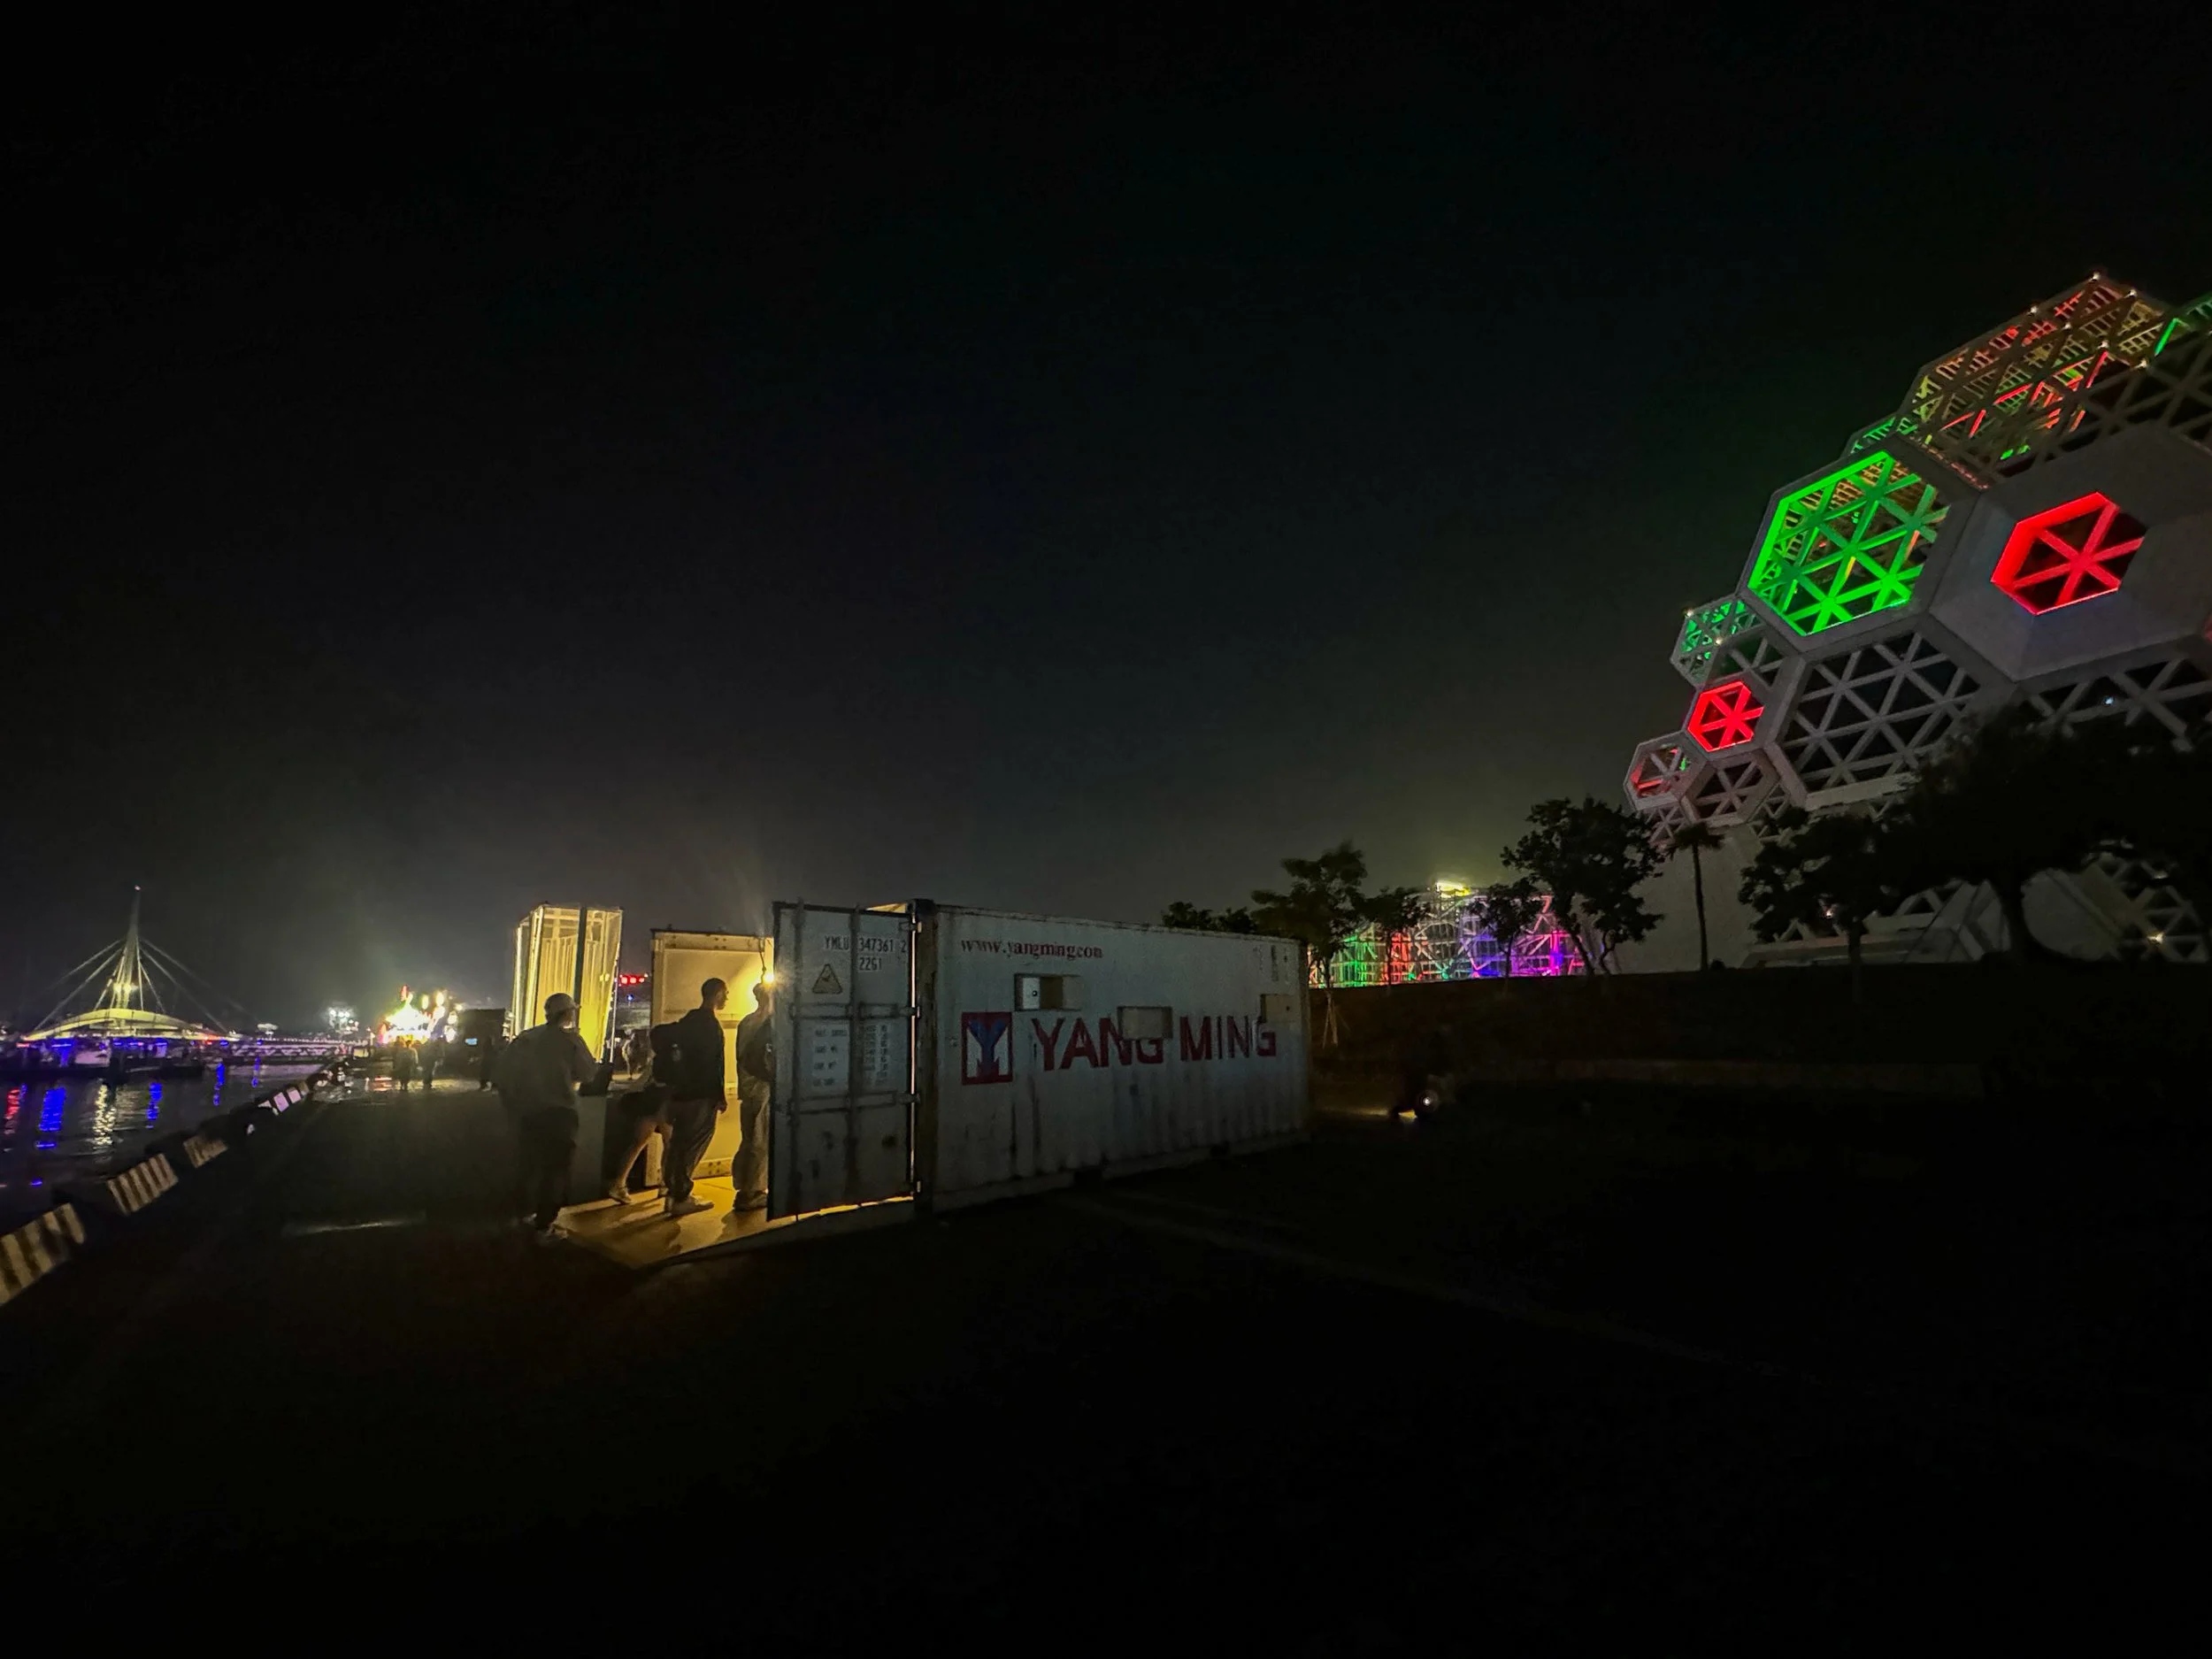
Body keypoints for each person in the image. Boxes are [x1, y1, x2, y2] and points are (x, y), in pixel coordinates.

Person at [497, 991, 600, 1238]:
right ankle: (544, 1225)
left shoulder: (525, 1038)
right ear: (567, 1014)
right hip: (560, 1114)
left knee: (528, 1165)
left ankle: (521, 1214)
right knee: (556, 1170)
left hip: (529, 1113)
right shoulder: (571, 1041)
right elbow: (588, 1074)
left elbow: (503, 1073)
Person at [660, 977, 729, 1220]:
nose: (727, 998)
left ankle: (672, 1192)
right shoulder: (710, 1026)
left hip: (680, 1094)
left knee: (678, 1144)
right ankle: (681, 1195)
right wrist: (719, 1095)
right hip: (701, 1095)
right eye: (725, 994)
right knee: (694, 1144)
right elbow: (714, 1065)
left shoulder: (687, 1021)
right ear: (717, 994)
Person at [730, 979, 774, 1210]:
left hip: (747, 1089)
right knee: (761, 1141)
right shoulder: (771, 1022)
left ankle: (743, 1186)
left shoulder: (746, 1021)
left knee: (749, 1138)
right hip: (763, 1089)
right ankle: (753, 1191)